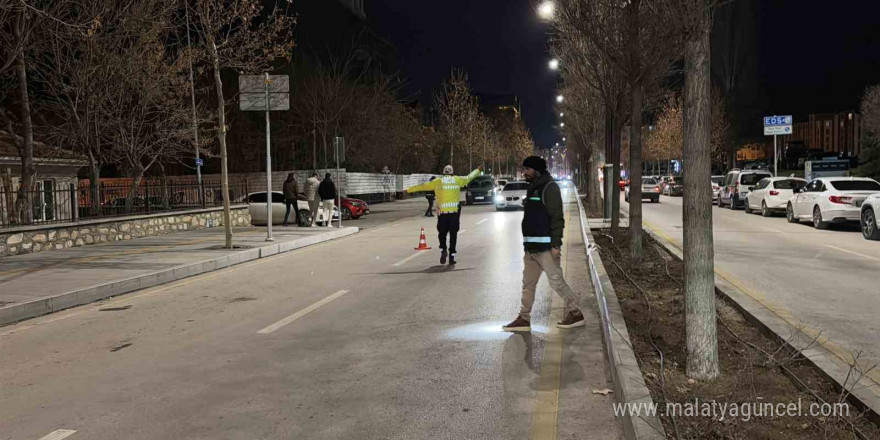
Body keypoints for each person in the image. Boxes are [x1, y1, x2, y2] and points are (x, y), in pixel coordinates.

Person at [503, 156, 585, 332]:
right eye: (524, 169)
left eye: (527, 169)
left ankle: (576, 313)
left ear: (537, 170)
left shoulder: (549, 187)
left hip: (546, 249)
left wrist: (556, 245)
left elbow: (557, 218)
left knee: (556, 282)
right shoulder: (534, 187)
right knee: (528, 284)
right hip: (531, 248)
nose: (524, 172)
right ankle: (524, 318)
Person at [405, 164, 482, 266]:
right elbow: (468, 178)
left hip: (442, 214)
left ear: (443, 173)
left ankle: (443, 250)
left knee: (442, 234)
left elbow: (423, 186)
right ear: (452, 173)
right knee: (453, 235)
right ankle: (452, 256)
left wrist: (408, 190)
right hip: (454, 214)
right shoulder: (457, 180)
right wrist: (477, 170)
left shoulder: (438, 181)